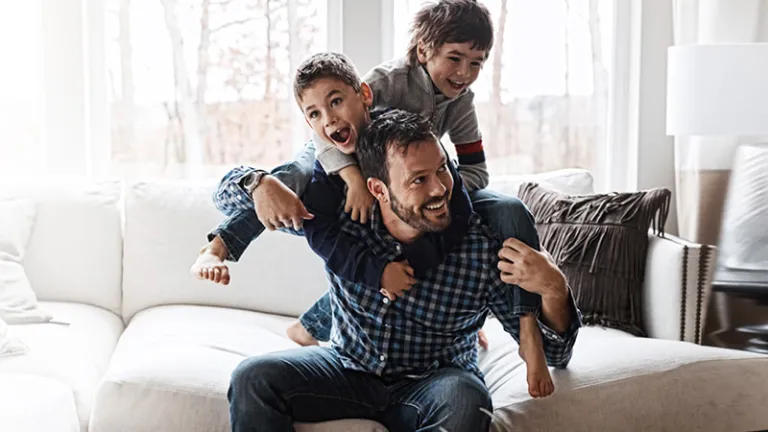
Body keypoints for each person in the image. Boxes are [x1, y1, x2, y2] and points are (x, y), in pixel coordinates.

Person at [194, 0, 554, 394]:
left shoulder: (461, 105)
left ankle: (526, 328)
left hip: (408, 185)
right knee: (288, 182)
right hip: (341, 160)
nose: (464, 73)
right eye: (455, 58)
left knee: (509, 209)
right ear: (423, 51)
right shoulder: (385, 84)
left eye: (476, 63)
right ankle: (219, 245)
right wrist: (351, 178)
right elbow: (336, 122)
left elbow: (476, 171)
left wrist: (434, 188)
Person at [227, 110, 582, 431]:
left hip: (437, 382)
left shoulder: (482, 246)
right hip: (348, 367)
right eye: (419, 179)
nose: (440, 189)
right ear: (378, 189)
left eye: (443, 169)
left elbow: (555, 356)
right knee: (253, 378)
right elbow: (226, 201)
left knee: (467, 400)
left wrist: (555, 290)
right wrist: (257, 183)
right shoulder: (342, 222)